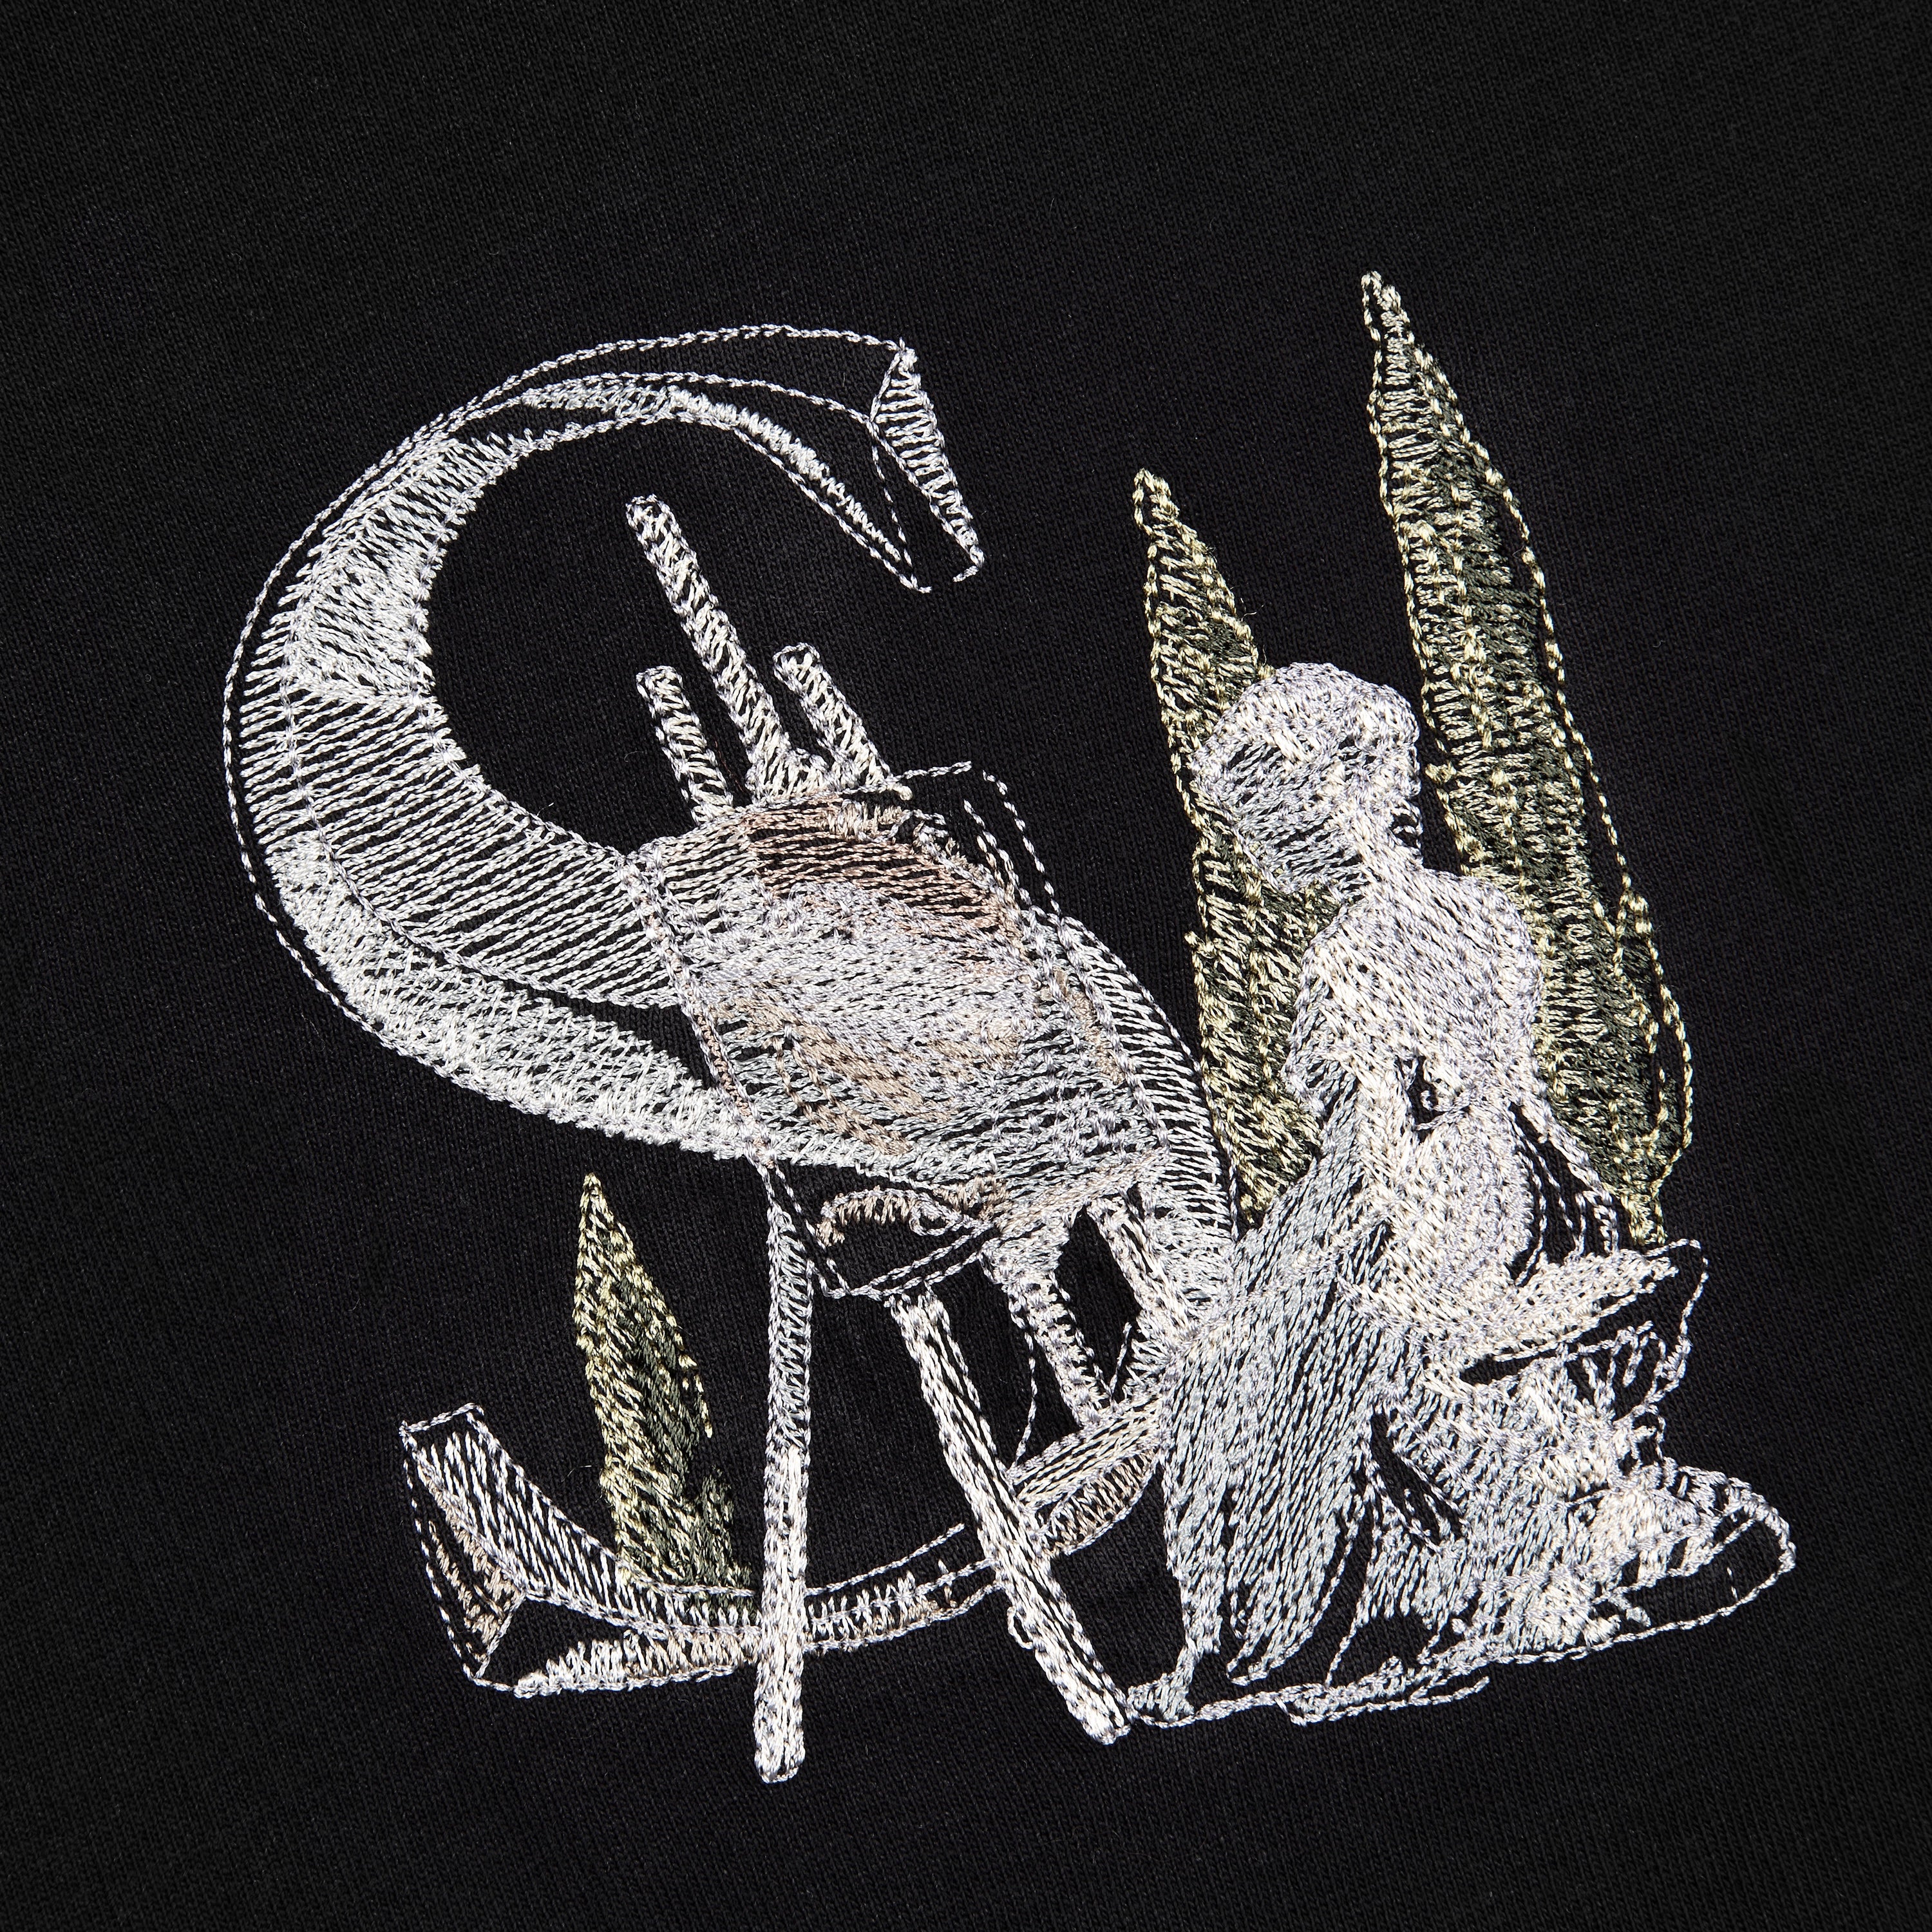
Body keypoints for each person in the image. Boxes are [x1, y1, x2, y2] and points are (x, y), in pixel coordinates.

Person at [1148, 664, 1787, 1721]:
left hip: (1426, 1206)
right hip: (1527, 1182)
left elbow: (1389, 1139)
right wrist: (1575, 1204)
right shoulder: (1481, 912)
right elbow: (1519, 1085)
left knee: (1260, 1373)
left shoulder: (1346, 964)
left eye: (1258, 826)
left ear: (1302, 821)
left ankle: (1305, 1614)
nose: (1254, 853)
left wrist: (1401, 1261)